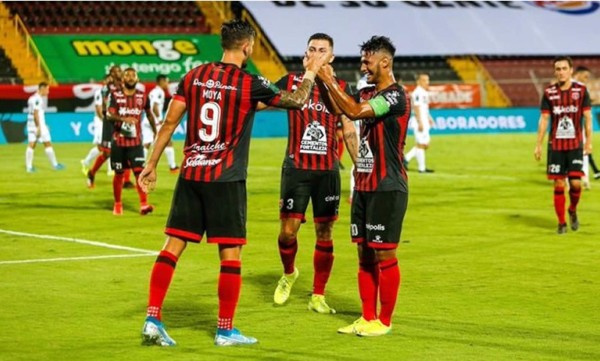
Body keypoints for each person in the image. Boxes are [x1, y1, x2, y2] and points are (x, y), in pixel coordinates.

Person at [138, 19, 327, 347]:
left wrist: (151, 165)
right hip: (225, 178)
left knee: (172, 246)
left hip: (191, 174)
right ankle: (225, 330)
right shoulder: (248, 82)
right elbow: (296, 100)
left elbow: (170, 122)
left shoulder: (194, 75)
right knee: (231, 254)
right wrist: (310, 70)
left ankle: (152, 318)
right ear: (248, 47)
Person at [317, 35, 410, 337]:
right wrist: (321, 81)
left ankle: (384, 320)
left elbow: (355, 112)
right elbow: (338, 110)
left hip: (388, 185)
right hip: (364, 185)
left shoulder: (396, 96)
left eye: (367, 60)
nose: (363, 66)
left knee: (384, 254)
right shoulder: (367, 90)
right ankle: (366, 316)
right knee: (364, 253)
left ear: (385, 62)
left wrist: (326, 77)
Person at [272, 33, 357, 314]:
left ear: (331, 57)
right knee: (287, 232)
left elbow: (348, 128)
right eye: (312, 49)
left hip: (327, 171)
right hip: (296, 168)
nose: (317, 54)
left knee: (325, 232)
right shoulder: (291, 82)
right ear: (305, 55)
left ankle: (318, 295)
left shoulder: (342, 87)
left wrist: (359, 165)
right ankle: (289, 273)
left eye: (323, 50)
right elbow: (262, 102)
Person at [534, 56, 592, 234]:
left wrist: (589, 141)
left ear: (571, 70)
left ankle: (572, 210)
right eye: (557, 69)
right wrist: (539, 144)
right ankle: (561, 223)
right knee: (559, 184)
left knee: (575, 184)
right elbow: (544, 119)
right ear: (555, 72)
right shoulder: (549, 93)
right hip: (556, 146)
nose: (561, 72)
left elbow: (588, 118)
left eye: (564, 68)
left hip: (575, 145)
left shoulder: (581, 91)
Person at [105, 67, 156, 216]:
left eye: (133, 75)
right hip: (119, 142)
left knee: (140, 173)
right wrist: (123, 119)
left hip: (135, 143)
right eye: (127, 75)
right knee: (119, 174)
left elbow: (150, 114)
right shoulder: (115, 95)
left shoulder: (143, 96)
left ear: (137, 79)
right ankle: (118, 204)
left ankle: (144, 205)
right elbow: (109, 115)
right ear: (122, 80)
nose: (130, 77)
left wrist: (156, 131)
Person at [87, 65, 134, 188]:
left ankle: (127, 181)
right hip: (110, 123)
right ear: (112, 74)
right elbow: (104, 106)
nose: (119, 72)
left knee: (128, 150)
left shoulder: (125, 86)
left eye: (120, 70)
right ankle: (91, 173)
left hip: (124, 121)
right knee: (107, 154)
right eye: (116, 71)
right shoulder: (107, 89)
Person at [142, 74, 179, 173]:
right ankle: (173, 166)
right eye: (166, 81)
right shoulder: (159, 92)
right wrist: (159, 120)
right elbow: (154, 107)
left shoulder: (154, 91)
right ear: (161, 81)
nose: (167, 84)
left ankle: (140, 165)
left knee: (146, 144)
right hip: (155, 121)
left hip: (147, 120)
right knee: (168, 141)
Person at [25, 82, 64, 172]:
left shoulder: (32, 98)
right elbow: (36, 114)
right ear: (42, 89)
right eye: (47, 89)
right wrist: (39, 127)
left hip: (31, 124)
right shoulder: (38, 99)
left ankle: (29, 167)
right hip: (38, 126)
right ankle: (55, 165)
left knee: (32, 144)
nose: (48, 91)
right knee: (47, 143)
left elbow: (35, 114)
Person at [572, 66, 600, 187]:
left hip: (580, 123)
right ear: (578, 74)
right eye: (585, 76)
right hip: (569, 124)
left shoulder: (582, 88)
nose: (587, 79)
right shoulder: (570, 85)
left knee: (584, 149)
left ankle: (585, 179)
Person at [81, 75, 113, 177]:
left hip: (108, 120)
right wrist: (105, 120)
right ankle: (86, 162)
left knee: (108, 146)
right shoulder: (100, 92)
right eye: (108, 80)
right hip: (101, 121)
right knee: (103, 146)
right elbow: (98, 108)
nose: (110, 82)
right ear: (104, 81)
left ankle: (109, 169)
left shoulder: (112, 93)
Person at [404, 72, 435, 173]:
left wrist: (429, 118)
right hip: (419, 121)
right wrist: (419, 121)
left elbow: (424, 108)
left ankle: (406, 159)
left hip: (424, 120)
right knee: (421, 144)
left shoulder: (424, 92)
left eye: (428, 80)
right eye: (425, 80)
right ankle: (421, 168)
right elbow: (416, 107)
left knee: (425, 144)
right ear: (419, 81)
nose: (427, 82)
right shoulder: (417, 92)